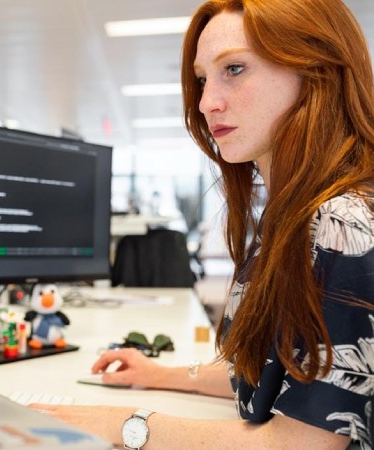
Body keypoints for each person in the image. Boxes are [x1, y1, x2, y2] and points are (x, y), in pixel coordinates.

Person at [31, 0, 374, 448]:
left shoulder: (341, 222)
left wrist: (125, 425)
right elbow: (280, 377)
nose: (207, 102)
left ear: (317, 70)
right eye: (201, 79)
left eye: (234, 68)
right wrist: (162, 374)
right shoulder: (293, 216)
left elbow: (302, 442)